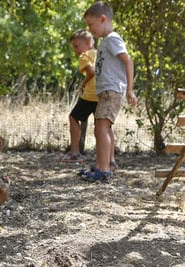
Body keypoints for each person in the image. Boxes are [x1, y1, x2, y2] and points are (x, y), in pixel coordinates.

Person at [79, 1, 137, 182]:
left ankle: (103, 169)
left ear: (103, 19)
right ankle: (108, 164)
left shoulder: (112, 39)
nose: (89, 29)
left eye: (90, 24)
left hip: (112, 90)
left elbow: (128, 61)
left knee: (100, 128)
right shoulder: (106, 42)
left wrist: (130, 89)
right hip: (106, 91)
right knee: (105, 127)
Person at [59, 29, 98, 163]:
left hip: (90, 96)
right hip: (103, 95)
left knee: (73, 117)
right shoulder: (100, 54)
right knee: (103, 127)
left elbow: (91, 71)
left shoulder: (84, 56)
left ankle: (75, 153)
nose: (75, 50)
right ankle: (109, 160)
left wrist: (83, 83)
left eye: (76, 46)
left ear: (87, 42)